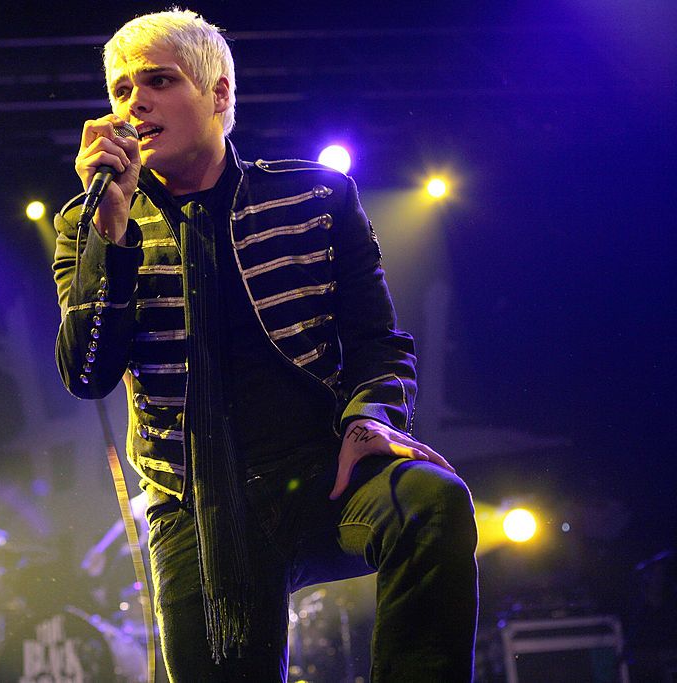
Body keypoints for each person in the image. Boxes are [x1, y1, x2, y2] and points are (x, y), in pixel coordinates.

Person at [52, 9, 478, 682]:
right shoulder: (92, 222)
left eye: (159, 80)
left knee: (431, 502)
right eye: (121, 89)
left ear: (218, 93)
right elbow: (86, 373)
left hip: (323, 476)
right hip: (195, 508)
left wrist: (371, 418)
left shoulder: (316, 196)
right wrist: (110, 236)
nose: (135, 103)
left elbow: (379, 341)